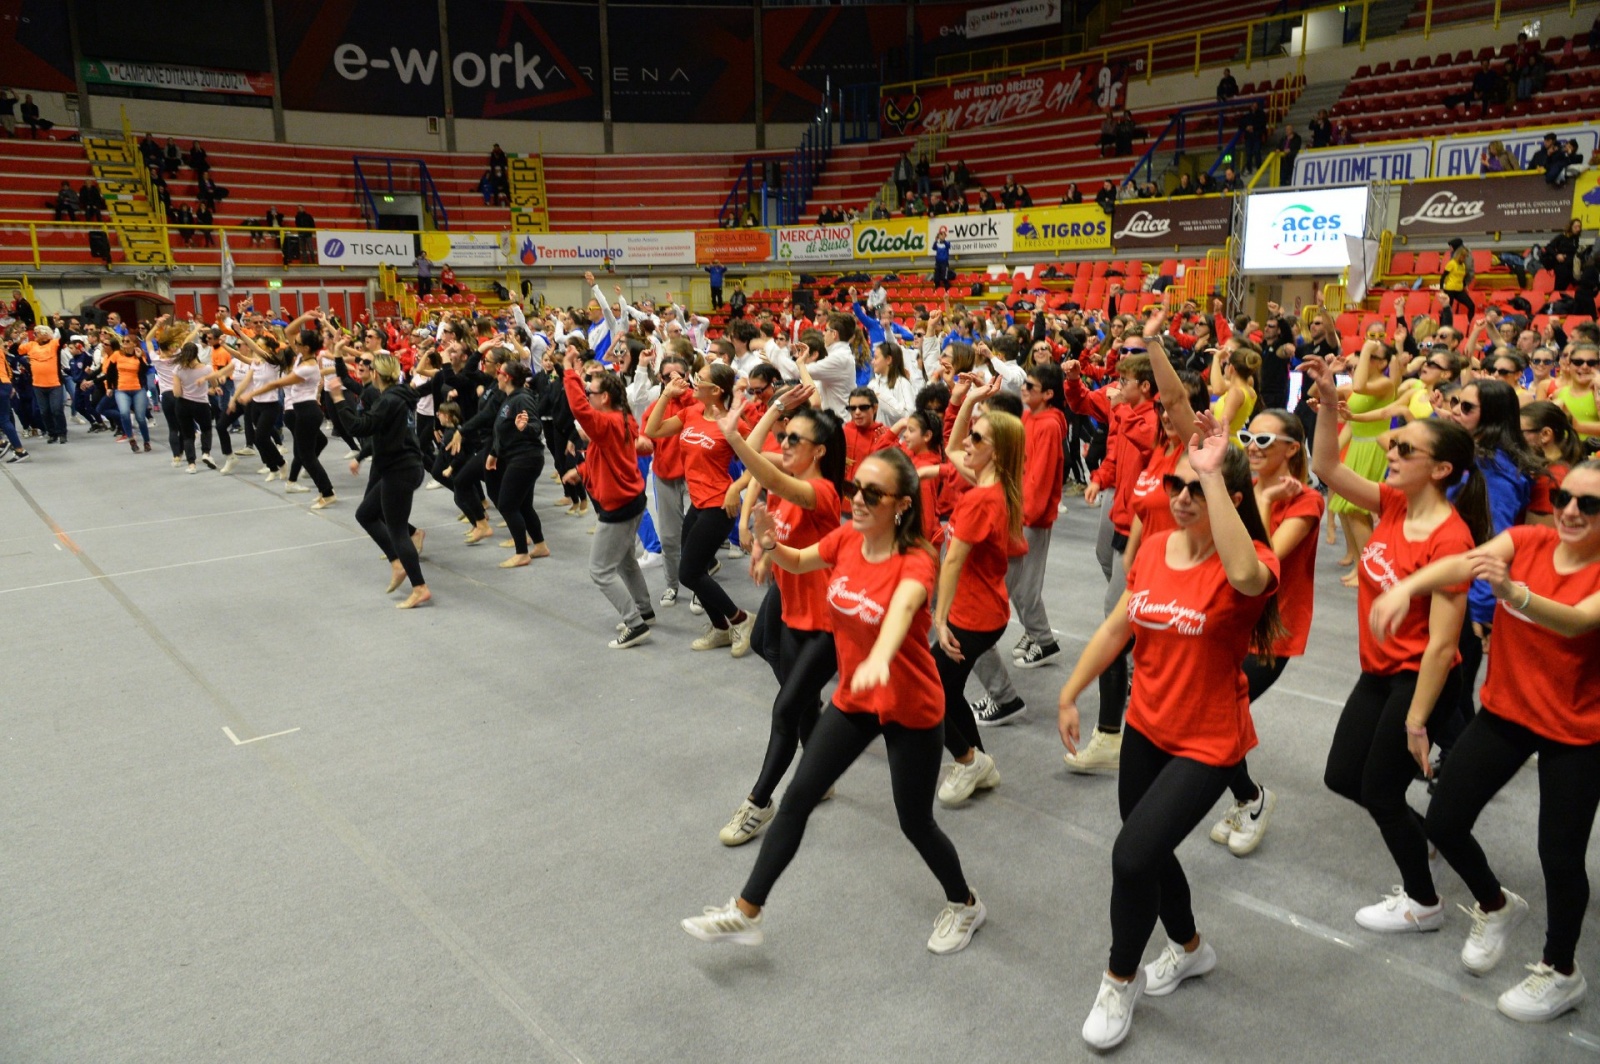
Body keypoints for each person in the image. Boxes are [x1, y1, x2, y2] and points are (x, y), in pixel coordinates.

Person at [681, 448, 985, 956]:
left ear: (902, 506)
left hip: (910, 705)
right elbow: (801, 561)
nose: (858, 501)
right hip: (856, 697)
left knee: (915, 822)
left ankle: (966, 903)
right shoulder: (847, 538)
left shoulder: (917, 560)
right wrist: (771, 544)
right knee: (799, 796)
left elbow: (904, 608)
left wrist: (883, 655)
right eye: (854, 490)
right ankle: (746, 911)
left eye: (873, 494)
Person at [1057, 413, 1283, 1050]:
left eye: (1197, 488)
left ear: (1228, 499)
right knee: (1148, 850)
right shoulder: (1154, 546)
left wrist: (1213, 474)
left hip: (1208, 742)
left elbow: (1245, 577)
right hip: (1147, 727)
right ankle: (1189, 948)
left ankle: (1117, 978)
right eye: (1176, 486)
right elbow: (1118, 628)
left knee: (1130, 856)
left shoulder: (1251, 561)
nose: (1181, 497)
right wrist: (1072, 691)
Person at [1369, 462, 1600, 1022]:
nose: (1570, 510)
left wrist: (1512, 592)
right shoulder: (1527, 538)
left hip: (1579, 729)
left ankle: (1561, 971)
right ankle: (1496, 904)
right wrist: (1408, 587)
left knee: (1560, 856)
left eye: (1589, 506)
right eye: (1566, 497)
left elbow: (1574, 621)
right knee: (1445, 822)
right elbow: (1462, 562)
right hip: (1508, 710)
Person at [1304, 354, 1490, 933]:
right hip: (1379, 671)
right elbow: (1328, 467)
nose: (1389, 450)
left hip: (1421, 677)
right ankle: (1419, 834)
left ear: (1439, 469)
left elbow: (1441, 648)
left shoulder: (1449, 538)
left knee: (1380, 792)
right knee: (1343, 777)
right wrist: (1332, 404)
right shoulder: (1393, 502)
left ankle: (1424, 901)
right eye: (1392, 442)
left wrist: (1417, 721)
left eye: (1404, 448)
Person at [714, 385, 845, 843]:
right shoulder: (788, 485)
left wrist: (735, 437)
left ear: (820, 451)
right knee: (785, 676)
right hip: (793, 610)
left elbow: (764, 471)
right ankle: (820, 768)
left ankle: (759, 804)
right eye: (785, 437)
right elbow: (771, 503)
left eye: (795, 440)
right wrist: (766, 552)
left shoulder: (821, 492)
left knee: (785, 711)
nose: (785, 444)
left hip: (827, 624)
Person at [931, 376, 1021, 805]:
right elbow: (950, 448)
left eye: (978, 438)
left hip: (973, 616)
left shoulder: (980, 499)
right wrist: (968, 400)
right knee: (946, 689)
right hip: (983, 610)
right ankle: (976, 761)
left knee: (931, 691)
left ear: (996, 451)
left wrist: (939, 616)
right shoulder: (994, 482)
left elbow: (952, 560)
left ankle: (969, 761)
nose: (968, 441)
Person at [644, 361, 756, 655]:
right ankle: (720, 628)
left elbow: (759, 464)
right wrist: (666, 394)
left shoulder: (732, 422)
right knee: (695, 570)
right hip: (697, 503)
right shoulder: (691, 412)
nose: (693, 382)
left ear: (716, 390)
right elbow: (653, 430)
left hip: (719, 506)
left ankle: (741, 620)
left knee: (689, 574)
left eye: (700, 379)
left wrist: (736, 487)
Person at [563, 348, 653, 646]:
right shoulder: (622, 419)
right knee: (626, 560)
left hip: (618, 507)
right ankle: (644, 609)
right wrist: (582, 469)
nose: (588, 393)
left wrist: (570, 373)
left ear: (605, 397)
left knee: (600, 571)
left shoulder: (607, 423)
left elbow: (579, 410)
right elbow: (609, 454)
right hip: (633, 499)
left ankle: (635, 624)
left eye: (593, 390)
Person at [486, 361, 549, 569]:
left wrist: (525, 427)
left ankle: (522, 552)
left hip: (526, 458)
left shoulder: (521, 398)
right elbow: (502, 430)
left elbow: (536, 425)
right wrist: (494, 453)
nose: (496, 377)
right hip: (517, 456)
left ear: (507, 377)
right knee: (523, 505)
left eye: (498, 373)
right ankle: (540, 545)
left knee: (507, 505)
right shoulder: (510, 399)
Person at [19, 324, 65, 444]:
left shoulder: (53, 344)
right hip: (38, 384)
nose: (33, 336)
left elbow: (64, 338)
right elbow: (16, 351)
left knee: (56, 409)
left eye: (36, 333)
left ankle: (62, 432)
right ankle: (52, 433)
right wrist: (19, 340)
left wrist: (59, 326)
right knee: (44, 411)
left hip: (54, 383)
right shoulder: (31, 345)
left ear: (44, 335)